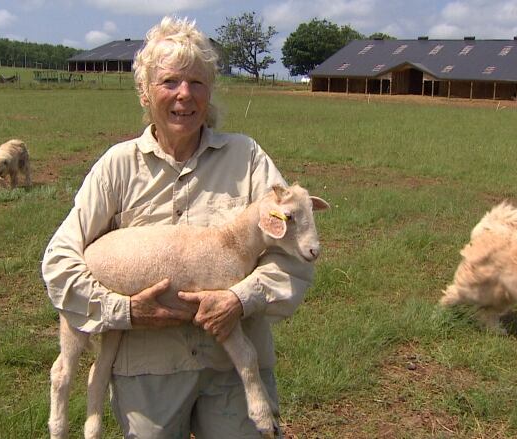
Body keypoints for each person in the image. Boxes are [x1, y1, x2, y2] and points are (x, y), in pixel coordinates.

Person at [41, 16, 314, 438]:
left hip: (231, 372)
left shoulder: (248, 158)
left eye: (197, 82)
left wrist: (239, 300)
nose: (184, 94)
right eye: (169, 81)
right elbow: (60, 261)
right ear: (145, 92)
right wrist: (124, 311)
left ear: (210, 92)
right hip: (147, 373)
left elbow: (294, 256)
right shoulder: (118, 166)